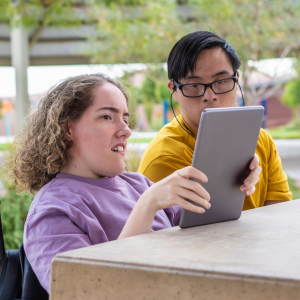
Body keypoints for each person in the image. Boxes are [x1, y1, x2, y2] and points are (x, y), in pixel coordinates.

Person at [11, 74, 211, 294]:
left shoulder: (138, 184)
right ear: (67, 129)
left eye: (125, 119)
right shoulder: (52, 211)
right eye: (107, 117)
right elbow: (84, 293)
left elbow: (206, 231)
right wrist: (147, 205)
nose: (126, 130)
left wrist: (236, 176)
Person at [138, 31, 292, 209]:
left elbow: (280, 213)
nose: (209, 96)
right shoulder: (164, 158)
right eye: (194, 85)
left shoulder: (261, 140)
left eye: (221, 81)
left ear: (237, 80)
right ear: (173, 89)